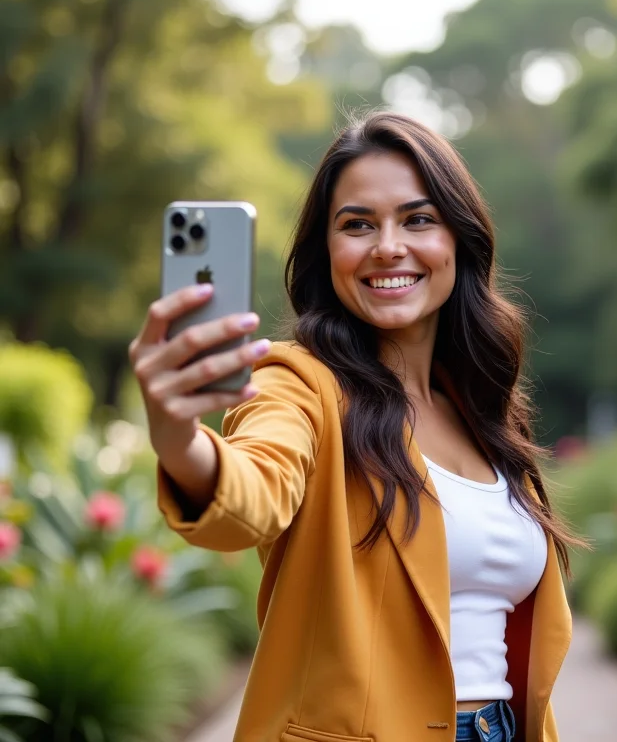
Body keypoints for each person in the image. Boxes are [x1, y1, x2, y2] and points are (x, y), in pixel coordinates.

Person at [129, 111, 581, 742]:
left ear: (459, 240)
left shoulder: (480, 409)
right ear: (327, 252)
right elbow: (252, 490)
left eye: (417, 219)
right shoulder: (299, 383)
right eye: (357, 224)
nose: (387, 246)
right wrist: (178, 437)